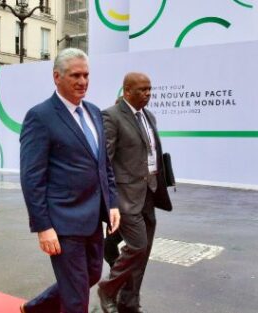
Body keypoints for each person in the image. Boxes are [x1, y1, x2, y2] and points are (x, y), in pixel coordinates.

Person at [19, 48, 120, 313]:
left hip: (93, 219)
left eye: (86, 75)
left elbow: (103, 164)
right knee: (76, 298)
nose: (82, 81)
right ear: (56, 77)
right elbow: (32, 178)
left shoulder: (95, 112)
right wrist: (43, 226)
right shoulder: (40, 116)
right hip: (62, 221)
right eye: (75, 75)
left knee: (92, 276)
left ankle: (37, 308)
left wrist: (112, 203)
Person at [97, 72, 173, 313]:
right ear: (127, 91)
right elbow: (105, 161)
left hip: (149, 191)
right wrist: (109, 200)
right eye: (142, 90)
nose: (148, 94)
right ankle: (107, 288)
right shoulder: (111, 116)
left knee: (143, 252)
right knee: (138, 246)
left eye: (150, 89)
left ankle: (129, 300)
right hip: (125, 196)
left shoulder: (149, 116)